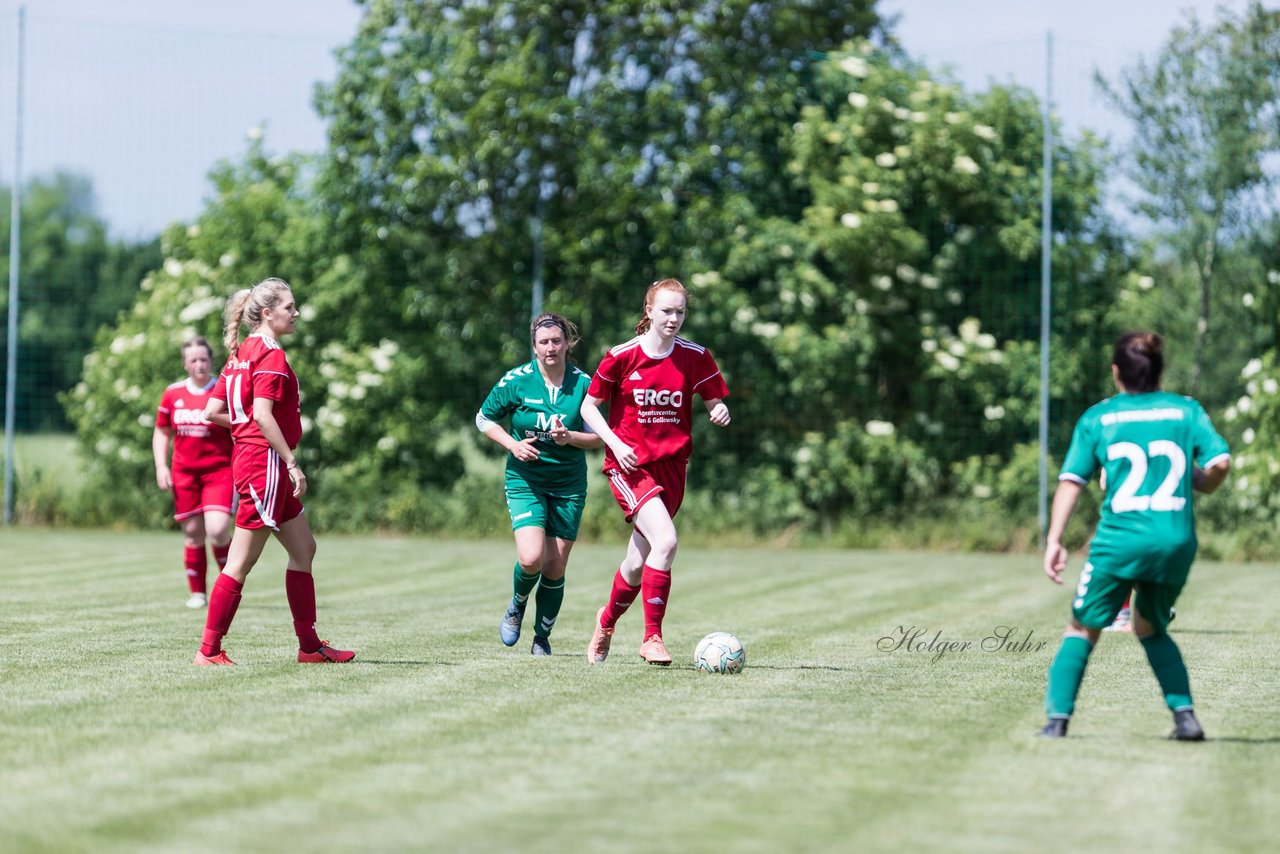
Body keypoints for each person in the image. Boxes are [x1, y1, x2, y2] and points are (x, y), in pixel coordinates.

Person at [1039, 332, 1229, 739]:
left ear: (1115, 373)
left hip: (1120, 540)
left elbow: (1073, 480)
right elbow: (1220, 462)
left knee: (1080, 628)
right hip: (1174, 541)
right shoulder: (1186, 411)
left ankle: (1057, 723)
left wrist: (1055, 538)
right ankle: (1185, 718)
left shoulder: (1099, 418)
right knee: (1151, 628)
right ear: (1160, 372)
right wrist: (1202, 483)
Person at [193, 277, 355, 666]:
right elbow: (263, 416)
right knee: (239, 562)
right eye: (289, 307)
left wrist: (247, 430)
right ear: (267, 313)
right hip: (265, 464)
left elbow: (213, 412)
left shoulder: (241, 352)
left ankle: (310, 647)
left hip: (258, 461)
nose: (296, 313)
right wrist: (291, 461)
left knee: (304, 549)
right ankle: (209, 651)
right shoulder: (269, 355)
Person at [581, 278, 730, 665]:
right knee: (665, 541)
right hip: (629, 468)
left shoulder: (696, 356)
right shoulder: (622, 356)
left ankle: (606, 622)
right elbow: (588, 408)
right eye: (666, 311)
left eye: (680, 311)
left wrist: (718, 409)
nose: (674, 318)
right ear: (649, 311)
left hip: (673, 468)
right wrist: (615, 444)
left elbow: (714, 400)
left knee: (636, 563)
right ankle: (652, 639)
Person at [476, 313, 602, 656]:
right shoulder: (516, 381)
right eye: (544, 342)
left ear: (567, 345)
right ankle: (517, 604)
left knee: (555, 566)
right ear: (534, 347)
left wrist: (570, 437)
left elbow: (601, 438)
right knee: (532, 557)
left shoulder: (585, 384)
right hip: (526, 479)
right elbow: (484, 418)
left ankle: (542, 638)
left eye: (557, 341)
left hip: (568, 484)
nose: (551, 348)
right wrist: (512, 445)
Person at [153, 337, 234, 608]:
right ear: (185, 364)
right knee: (192, 533)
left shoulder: (221, 392)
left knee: (218, 529)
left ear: (211, 361)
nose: (199, 364)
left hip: (219, 472)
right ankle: (198, 593)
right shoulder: (173, 393)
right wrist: (161, 465)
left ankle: (228, 585)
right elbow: (162, 431)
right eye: (193, 360)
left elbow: (238, 428)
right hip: (184, 474)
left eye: (204, 359)